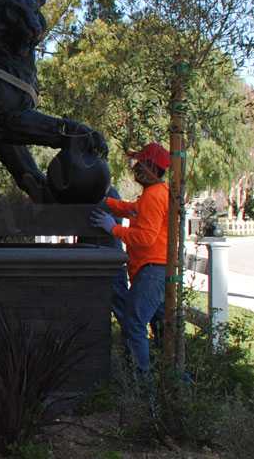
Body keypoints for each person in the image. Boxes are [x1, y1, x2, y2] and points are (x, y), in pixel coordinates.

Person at [90, 142, 170, 375]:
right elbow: (131, 209)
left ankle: (141, 382)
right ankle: (172, 378)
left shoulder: (154, 196)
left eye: (141, 163)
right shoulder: (156, 193)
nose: (136, 168)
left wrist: (112, 229)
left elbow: (145, 238)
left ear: (152, 168)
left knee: (134, 324)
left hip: (152, 270)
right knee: (163, 326)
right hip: (157, 270)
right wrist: (106, 202)